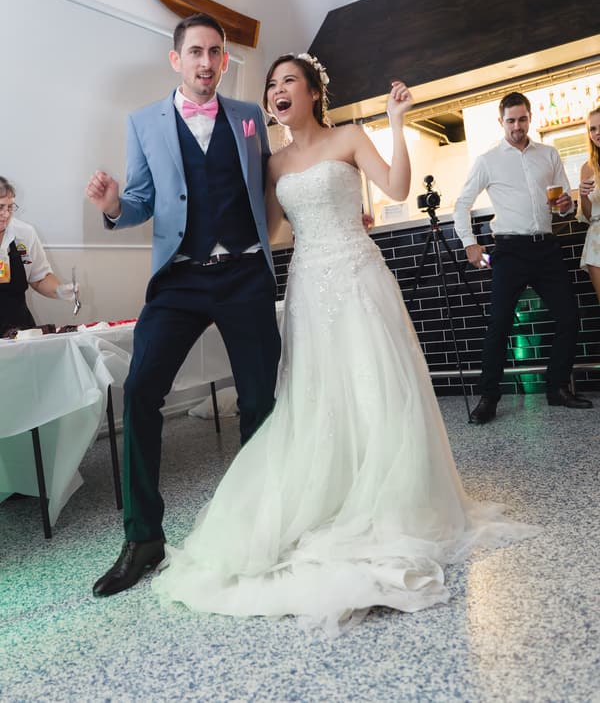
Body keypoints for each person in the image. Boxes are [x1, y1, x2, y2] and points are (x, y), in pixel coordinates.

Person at [152, 54, 535, 636]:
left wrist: (397, 121)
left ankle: (389, 499)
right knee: (318, 396)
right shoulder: (272, 162)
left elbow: (399, 186)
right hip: (308, 285)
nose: (278, 91)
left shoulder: (350, 136)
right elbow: (271, 232)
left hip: (359, 277)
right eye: (272, 85)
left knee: (377, 386)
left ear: (312, 93)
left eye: (288, 82)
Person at [86, 13, 281, 597]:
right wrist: (117, 204)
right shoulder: (143, 122)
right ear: (176, 59)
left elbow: (268, 188)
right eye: (195, 51)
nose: (206, 62)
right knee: (141, 390)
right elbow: (143, 199)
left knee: (259, 402)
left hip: (246, 272)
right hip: (180, 278)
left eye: (215, 53)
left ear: (225, 60)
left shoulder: (249, 119)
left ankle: (262, 525)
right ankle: (144, 537)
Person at [454, 91, 592, 425]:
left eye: (522, 119)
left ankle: (557, 388)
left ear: (531, 118)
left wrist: (566, 206)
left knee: (569, 318)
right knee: (499, 324)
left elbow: (566, 204)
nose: (517, 126)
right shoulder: (488, 160)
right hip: (509, 250)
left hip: (546, 247)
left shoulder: (549, 153)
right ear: (501, 122)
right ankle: (489, 397)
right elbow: (461, 204)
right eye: (511, 120)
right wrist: (470, 243)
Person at [0, 176, 78, 336]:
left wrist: (60, 290)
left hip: (19, 330)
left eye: (10, 207)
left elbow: (39, 278)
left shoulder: (24, 234)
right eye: (0, 207)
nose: (6, 214)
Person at [578, 107, 600, 301]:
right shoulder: (587, 168)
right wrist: (583, 196)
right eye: (592, 129)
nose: (597, 132)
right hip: (597, 240)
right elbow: (587, 216)